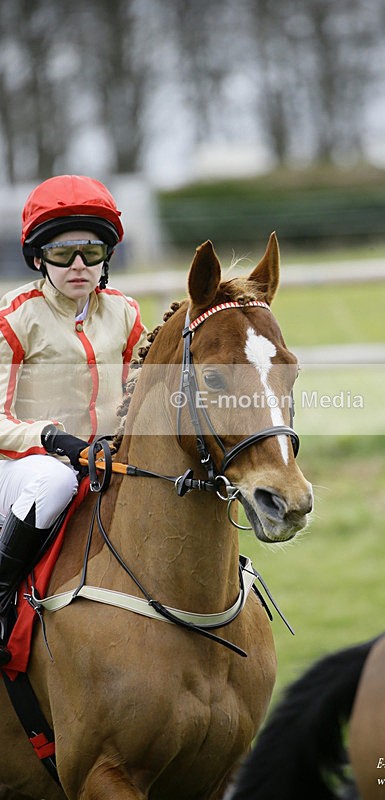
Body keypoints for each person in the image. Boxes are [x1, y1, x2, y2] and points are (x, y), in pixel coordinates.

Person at [0, 174, 148, 664]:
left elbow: (137, 396)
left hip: (102, 458)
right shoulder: (14, 317)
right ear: (39, 257)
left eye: (93, 251)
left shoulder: (126, 314)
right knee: (54, 481)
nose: (80, 265)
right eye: (64, 253)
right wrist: (49, 437)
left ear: (108, 256)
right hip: (23, 466)